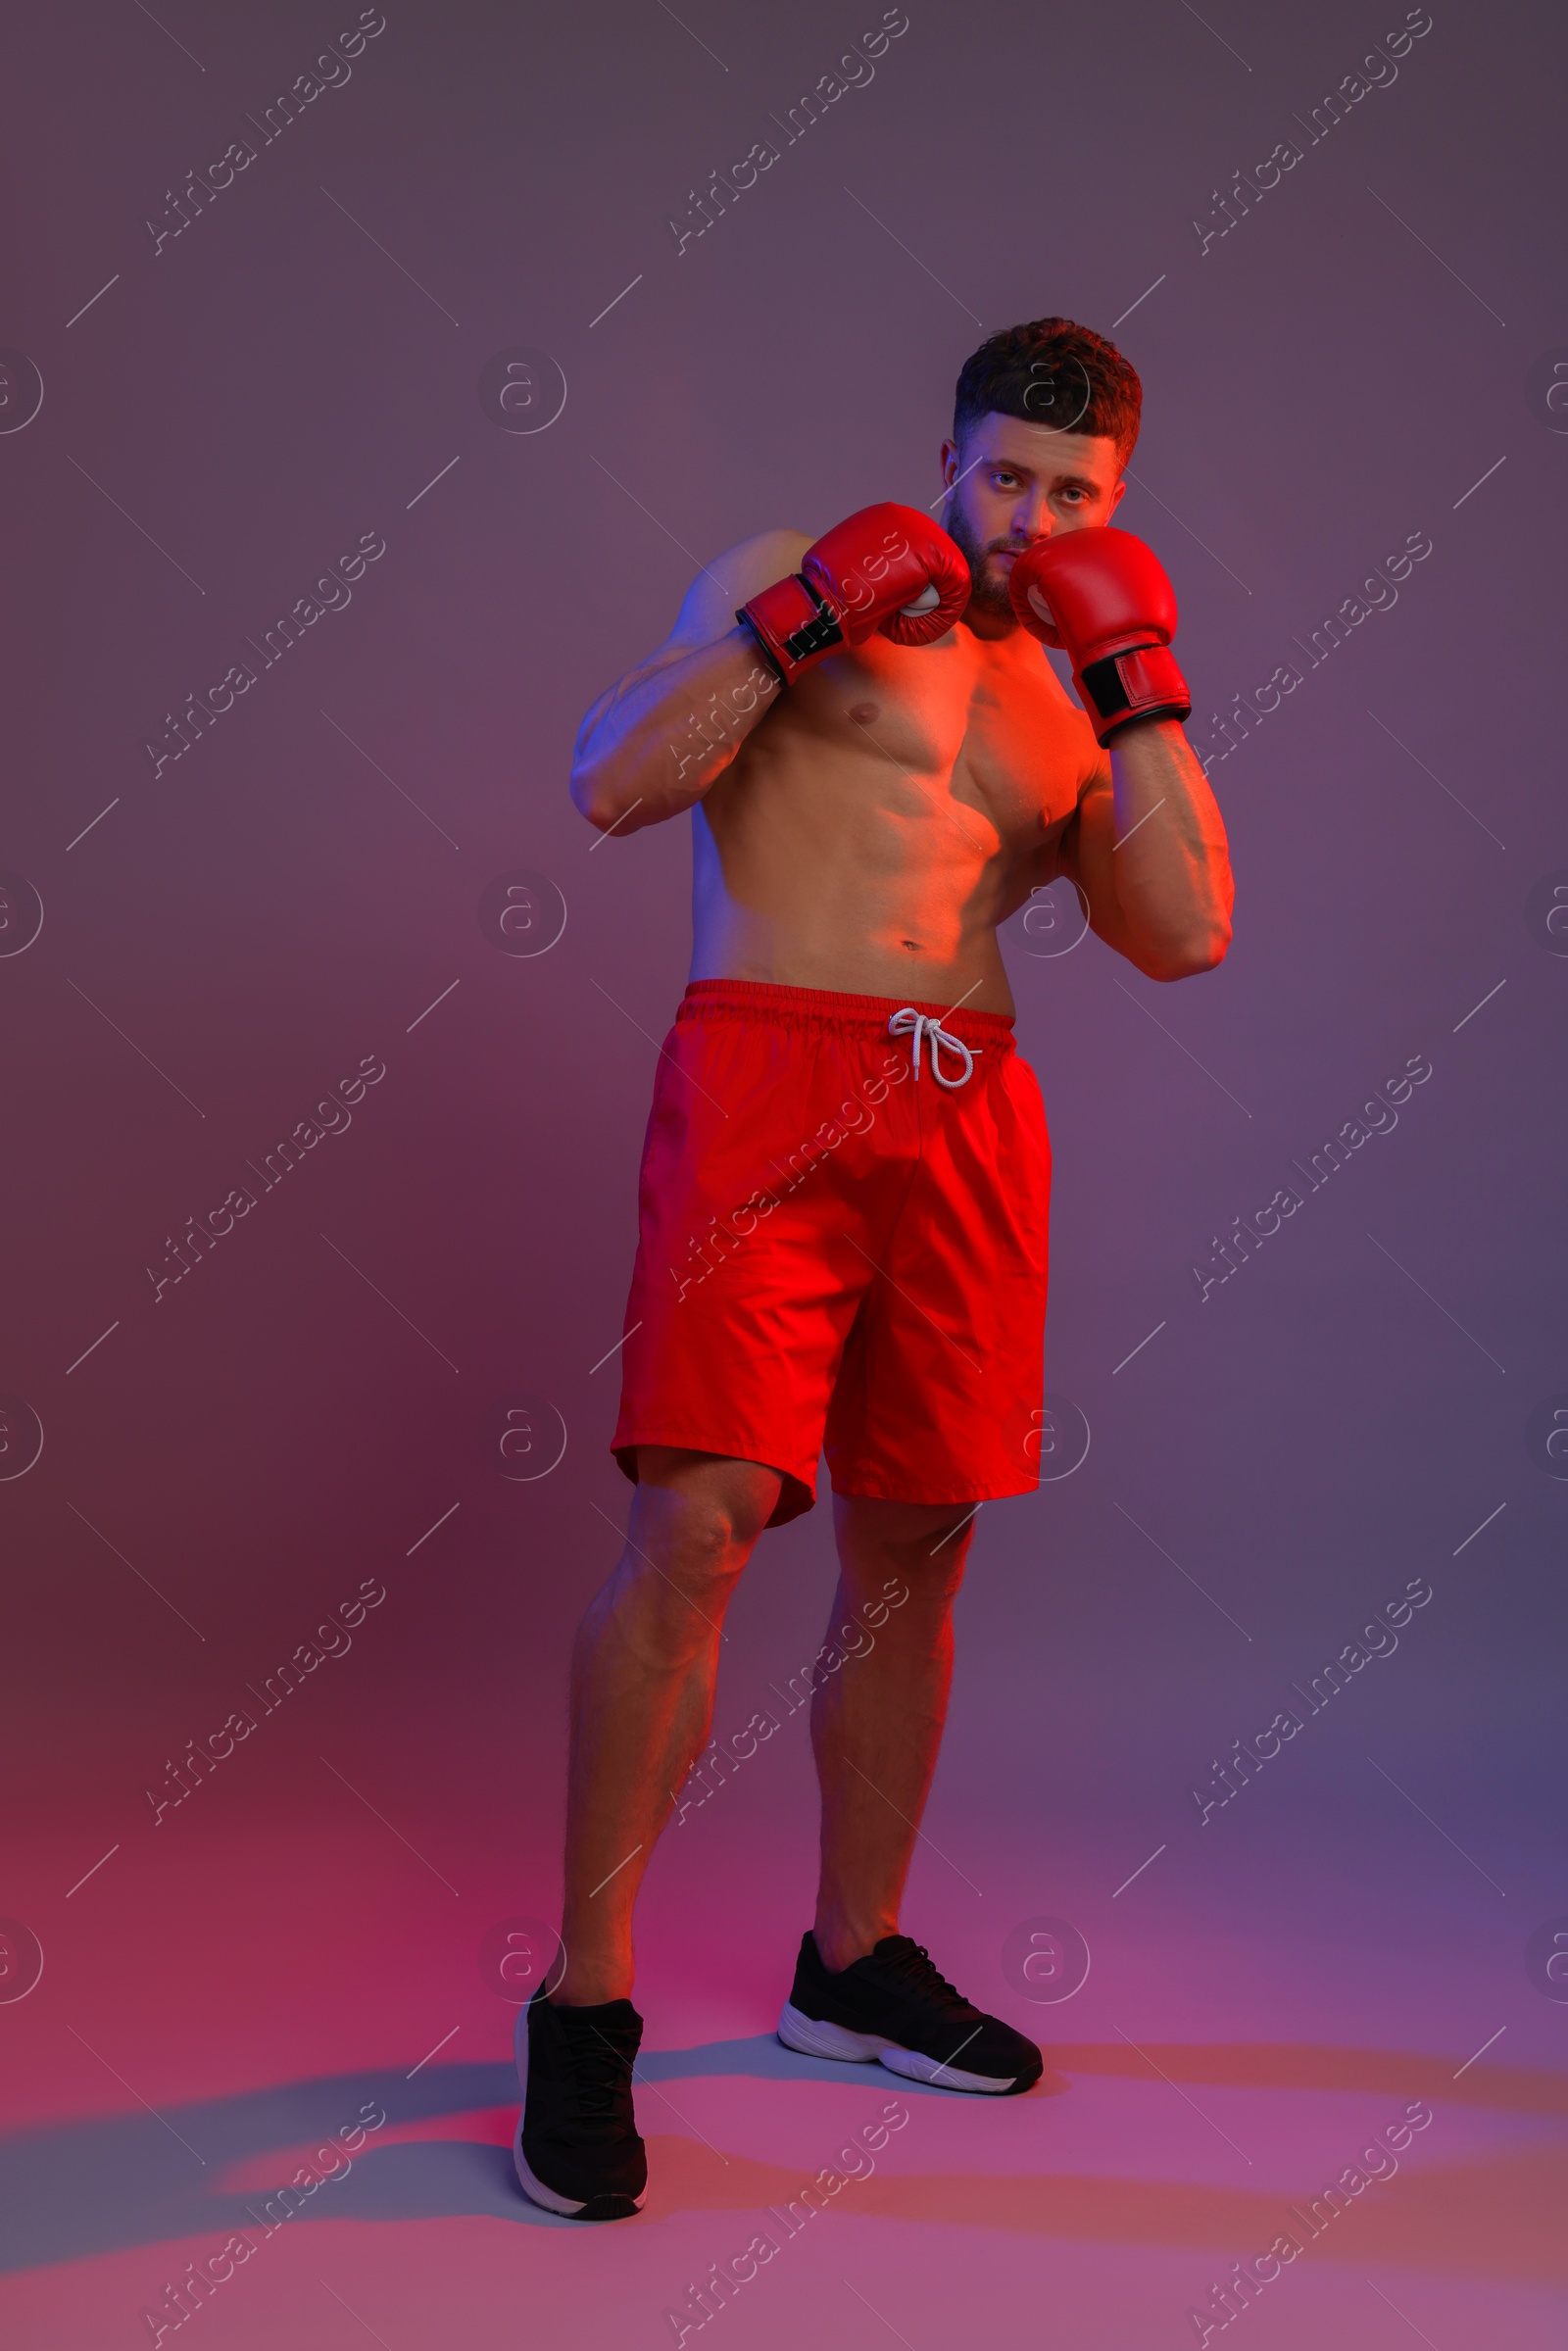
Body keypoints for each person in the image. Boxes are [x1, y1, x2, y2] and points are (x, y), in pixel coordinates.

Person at [514, 318, 1235, 2218]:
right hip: (765, 1077)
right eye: (1002, 475)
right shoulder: (785, 577)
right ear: (945, 452)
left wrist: (1143, 689)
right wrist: (794, 627)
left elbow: (1183, 933)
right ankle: (584, 2011)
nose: (1025, 516)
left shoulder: (1078, 672)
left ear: (1116, 499)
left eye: (1070, 493)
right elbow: (605, 778)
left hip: (961, 1106)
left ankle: (848, 1963)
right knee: (696, 1525)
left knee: (913, 1545)